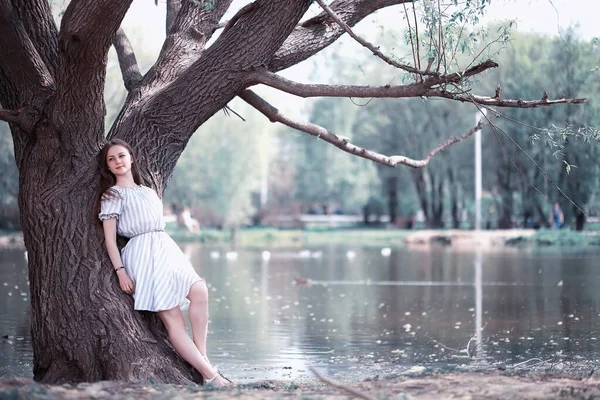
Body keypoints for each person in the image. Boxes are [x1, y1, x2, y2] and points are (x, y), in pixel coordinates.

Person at [94, 139, 229, 387]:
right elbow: (110, 241)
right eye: (111, 160)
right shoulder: (112, 195)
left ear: (131, 158)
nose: (117, 162)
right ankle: (211, 376)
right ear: (108, 167)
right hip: (142, 253)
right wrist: (121, 272)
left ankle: (202, 359)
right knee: (172, 317)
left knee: (199, 290)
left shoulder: (148, 192)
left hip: (166, 248)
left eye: (121, 156)